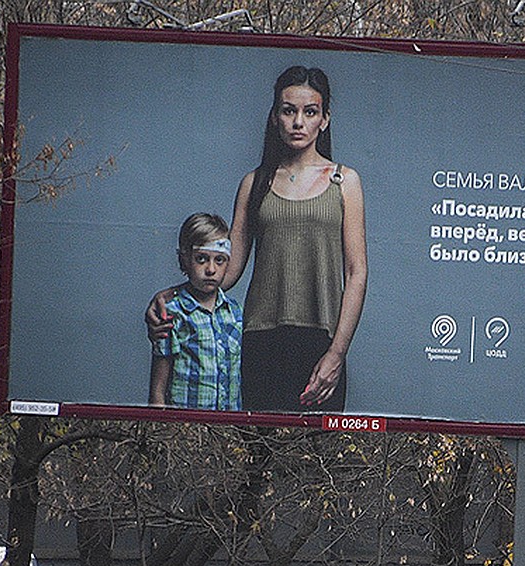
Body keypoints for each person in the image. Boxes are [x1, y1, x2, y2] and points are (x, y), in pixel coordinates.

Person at [148, 65, 367, 411]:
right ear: (274, 116)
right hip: (259, 341)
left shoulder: (346, 182)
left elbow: (357, 273)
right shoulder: (254, 183)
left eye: (310, 112)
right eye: (288, 110)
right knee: (260, 459)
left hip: (321, 342)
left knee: (315, 460)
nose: (298, 122)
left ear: (324, 119)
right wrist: (170, 296)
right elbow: (228, 270)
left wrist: (337, 353)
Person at [148, 213, 242, 411]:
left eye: (219, 260)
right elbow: (158, 386)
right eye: (201, 259)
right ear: (185, 260)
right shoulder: (173, 312)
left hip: (228, 427)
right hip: (185, 427)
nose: (211, 269)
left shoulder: (235, 314)